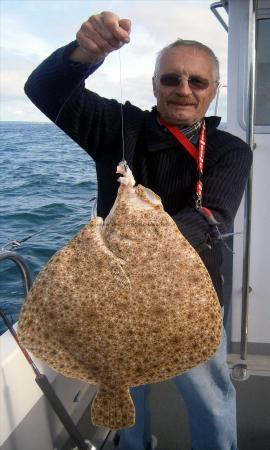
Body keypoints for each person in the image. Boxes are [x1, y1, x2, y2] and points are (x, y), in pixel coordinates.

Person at [24, 11, 252, 450]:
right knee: (126, 393)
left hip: (188, 303)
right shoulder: (117, 126)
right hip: (108, 299)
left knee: (210, 397)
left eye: (197, 82)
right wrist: (84, 55)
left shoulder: (230, 150)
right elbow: (44, 90)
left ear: (214, 91)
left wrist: (138, 234)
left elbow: (215, 215)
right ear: (154, 85)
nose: (183, 90)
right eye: (171, 79)